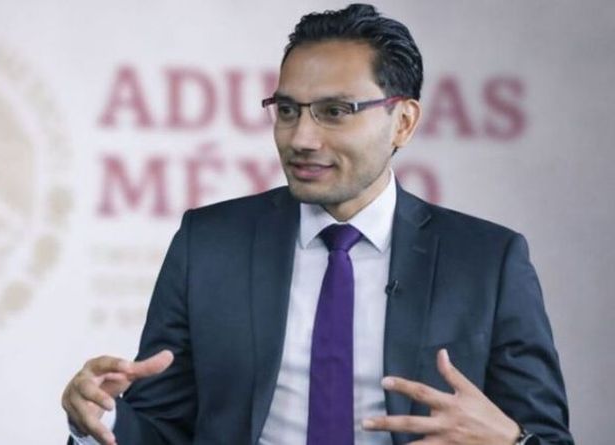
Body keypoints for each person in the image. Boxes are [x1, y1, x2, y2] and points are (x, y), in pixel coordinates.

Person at [61, 4, 573, 444]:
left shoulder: (487, 261)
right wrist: (97, 423)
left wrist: (513, 441)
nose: (301, 138)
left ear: (403, 122)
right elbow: (161, 428)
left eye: (335, 111)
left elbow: (547, 435)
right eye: (288, 110)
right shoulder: (210, 244)